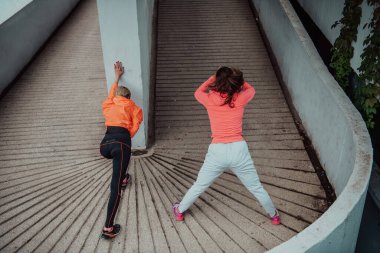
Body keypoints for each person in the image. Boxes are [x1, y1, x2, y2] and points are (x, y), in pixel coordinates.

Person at [172, 66, 280, 225]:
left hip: (217, 150)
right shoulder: (240, 98)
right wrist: (238, 82)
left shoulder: (209, 99)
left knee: (200, 185)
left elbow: (197, 92)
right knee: (256, 187)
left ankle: (180, 211)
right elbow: (252, 89)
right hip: (238, 148)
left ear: (217, 82)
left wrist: (211, 79)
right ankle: (274, 216)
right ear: (235, 83)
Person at [100, 61, 143, 239]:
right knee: (115, 187)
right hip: (121, 143)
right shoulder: (134, 107)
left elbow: (112, 91)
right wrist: (127, 136)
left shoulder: (108, 103)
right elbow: (136, 123)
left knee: (119, 165)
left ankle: (124, 177)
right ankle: (108, 228)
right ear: (129, 97)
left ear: (117, 96)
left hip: (104, 146)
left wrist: (117, 76)